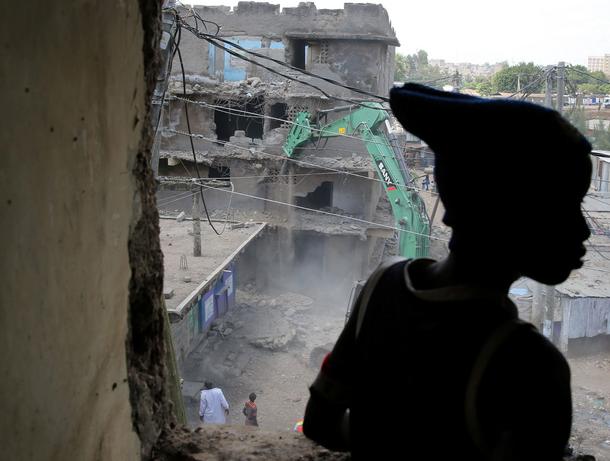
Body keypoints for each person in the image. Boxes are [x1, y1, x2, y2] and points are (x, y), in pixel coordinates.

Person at [303, 83, 592, 461]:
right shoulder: (532, 366)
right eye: (564, 207)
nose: (584, 229)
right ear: (507, 214)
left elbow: (319, 422)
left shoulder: (382, 286)